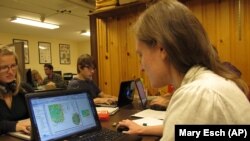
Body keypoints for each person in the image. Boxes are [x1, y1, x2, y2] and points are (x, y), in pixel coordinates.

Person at [117, 0, 250, 141]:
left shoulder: (198, 96)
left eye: (141, 55)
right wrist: (143, 129)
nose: (141, 67)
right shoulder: (210, 84)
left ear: (162, 49)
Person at [0, 45, 33, 135]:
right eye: (4, 67)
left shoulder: (25, 89)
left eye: (13, 66)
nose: (10, 71)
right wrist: (14, 126)